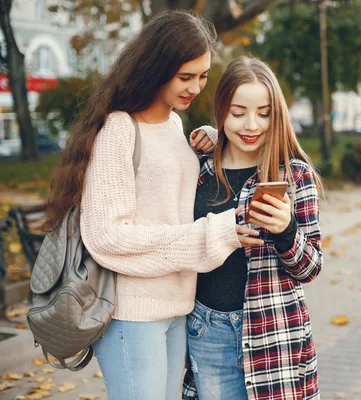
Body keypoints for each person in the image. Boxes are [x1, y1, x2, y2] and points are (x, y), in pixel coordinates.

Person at [43, 11, 263, 400]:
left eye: (203, 76)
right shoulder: (119, 129)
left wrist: (217, 143)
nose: (196, 87)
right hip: (133, 311)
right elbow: (107, 236)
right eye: (185, 77)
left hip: (178, 305)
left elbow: (172, 196)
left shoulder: (176, 126)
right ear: (157, 68)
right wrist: (213, 234)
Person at [182, 56, 324, 400]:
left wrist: (287, 231)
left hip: (274, 329)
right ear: (221, 111)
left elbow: (311, 267)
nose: (251, 125)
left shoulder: (293, 176)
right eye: (237, 112)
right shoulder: (198, 169)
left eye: (263, 113)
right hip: (207, 330)